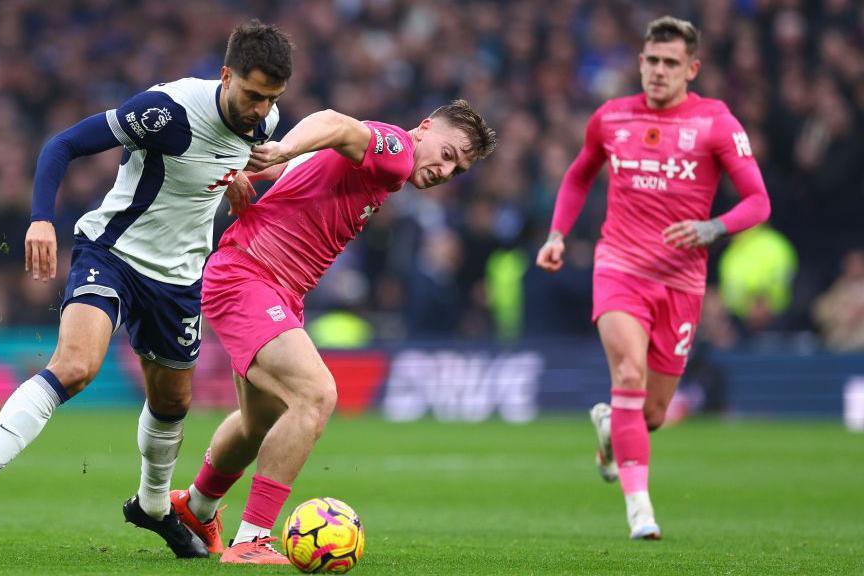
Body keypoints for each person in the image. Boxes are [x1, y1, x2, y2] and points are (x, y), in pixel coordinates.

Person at [0, 20, 293, 559]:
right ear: (226, 75)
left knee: (173, 403)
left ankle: (153, 505)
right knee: (75, 366)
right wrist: (40, 220)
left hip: (180, 278)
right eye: (253, 95)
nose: (261, 109)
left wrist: (234, 176)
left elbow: (230, 155)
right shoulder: (167, 111)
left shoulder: (265, 121)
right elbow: (63, 144)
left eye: (271, 99)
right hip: (113, 254)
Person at [166, 101, 496, 564]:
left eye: (457, 169)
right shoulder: (398, 150)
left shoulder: (385, 169)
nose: (445, 170)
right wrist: (281, 149)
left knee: (261, 421)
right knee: (316, 395)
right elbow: (336, 122)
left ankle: (197, 508)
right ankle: (251, 540)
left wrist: (264, 170)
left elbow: (319, 156)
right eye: (447, 153)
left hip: (270, 284)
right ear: (423, 128)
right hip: (252, 275)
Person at [535, 16, 770, 540]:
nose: (658, 72)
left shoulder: (716, 122)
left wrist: (714, 226)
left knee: (655, 414)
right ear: (640, 62)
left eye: (670, 63)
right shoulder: (610, 118)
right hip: (618, 266)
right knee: (629, 377)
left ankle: (609, 433)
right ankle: (640, 509)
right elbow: (578, 175)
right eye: (651, 61)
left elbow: (759, 201)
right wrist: (557, 234)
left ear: (692, 69)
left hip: (682, 283)